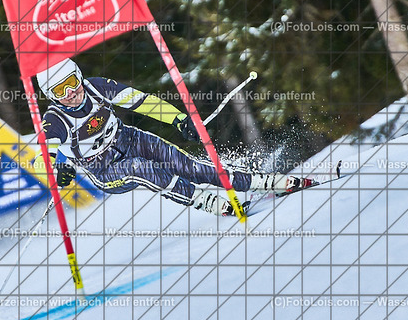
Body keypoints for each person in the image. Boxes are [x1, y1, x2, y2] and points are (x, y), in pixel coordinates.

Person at [36, 59, 317, 216]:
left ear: (79, 76)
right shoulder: (55, 119)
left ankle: (261, 182)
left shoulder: (97, 87)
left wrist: (178, 119)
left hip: (127, 139)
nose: (70, 93)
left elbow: (142, 102)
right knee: (141, 168)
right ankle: (203, 199)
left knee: (189, 166)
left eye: (71, 83)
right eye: (60, 91)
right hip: (103, 168)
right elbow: (43, 153)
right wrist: (57, 169)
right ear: (52, 96)